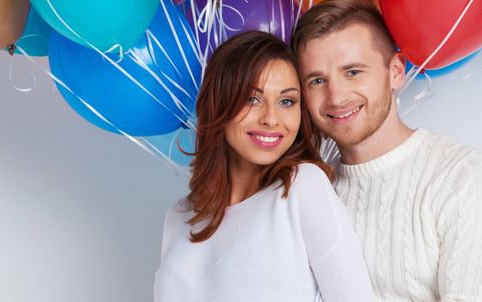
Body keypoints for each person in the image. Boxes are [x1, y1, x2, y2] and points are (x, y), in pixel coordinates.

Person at [292, 0, 482, 301]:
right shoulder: (312, 192)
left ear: (396, 71)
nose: (335, 96)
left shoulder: (466, 179)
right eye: (317, 80)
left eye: (353, 72)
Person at [153, 31, 374, 302]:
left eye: (286, 101)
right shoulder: (180, 216)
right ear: (220, 103)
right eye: (252, 99)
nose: (271, 118)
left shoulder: (301, 187)